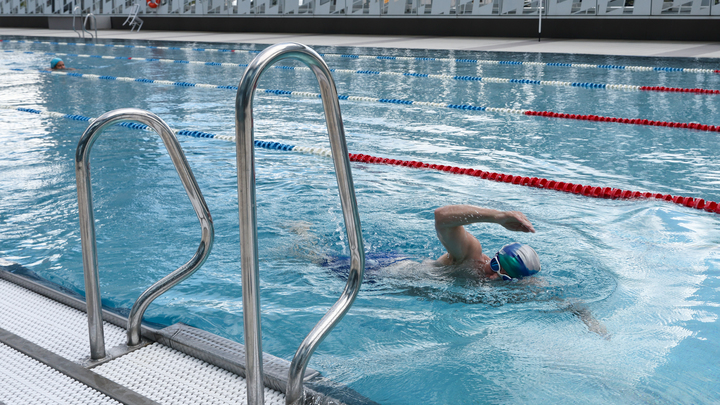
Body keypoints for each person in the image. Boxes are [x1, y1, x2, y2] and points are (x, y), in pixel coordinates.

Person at [434, 204, 540, 282]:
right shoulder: (470, 257)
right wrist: (495, 216)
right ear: (495, 256)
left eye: (504, 277)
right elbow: (441, 217)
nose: (493, 276)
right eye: (494, 265)